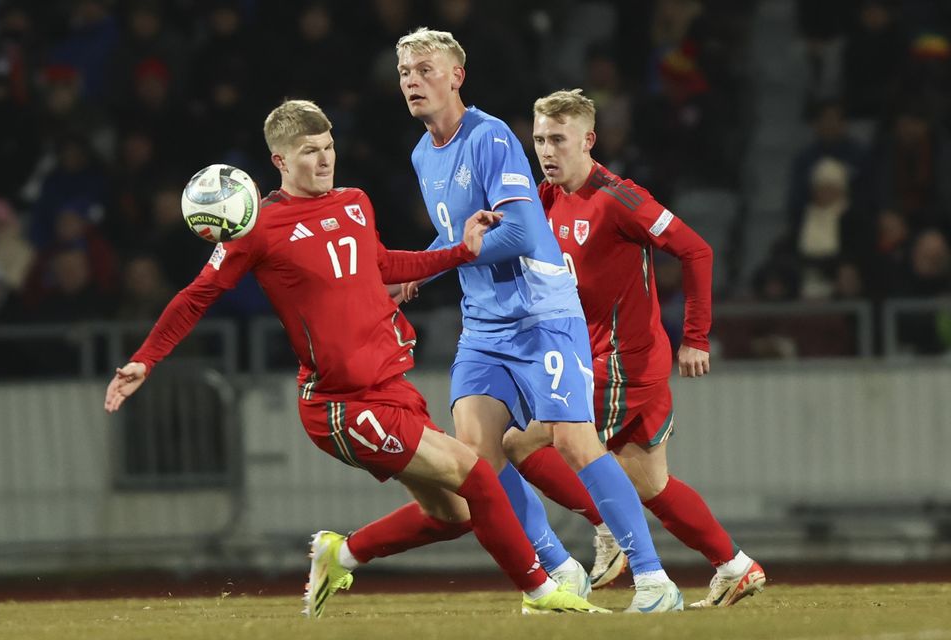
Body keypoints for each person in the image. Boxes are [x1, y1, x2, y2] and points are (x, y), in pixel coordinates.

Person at [103, 99, 606, 618]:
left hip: (391, 385)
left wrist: (462, 250)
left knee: (454, 513)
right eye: (308, 152)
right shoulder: (259, 227)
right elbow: (195, 296)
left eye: (328, 148)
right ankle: (543, 592)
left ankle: (339, 553)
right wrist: (147, 358)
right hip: (341, 404)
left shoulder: (354, 202)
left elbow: (385, 264)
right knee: (476, 474)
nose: (324, 161)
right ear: (279, 160)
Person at [381, 28, 683, 612]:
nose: (412, 81)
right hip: (484, 326)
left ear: (455, 76)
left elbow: (518, 231)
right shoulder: (422, 153)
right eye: (404, 74)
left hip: (541, 313)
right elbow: (457, 234)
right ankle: (560, 567)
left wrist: (447, 258)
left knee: (573, 441)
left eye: (424, 69)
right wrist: (418, 271)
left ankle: (653, 580)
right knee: (478, 457)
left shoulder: (490, 136)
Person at [503, 88, 766, 608]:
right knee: (650, 484)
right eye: (539, 140)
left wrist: (695, 335)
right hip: (599, 358)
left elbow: (696, 249)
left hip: (623, 362)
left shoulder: (621, 198)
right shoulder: (545, 198)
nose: (548, 151)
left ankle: (605, 528)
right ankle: (735, 566)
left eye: (558, 139)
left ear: (589, 140)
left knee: (520, 443)